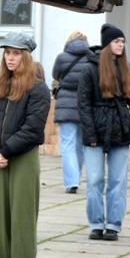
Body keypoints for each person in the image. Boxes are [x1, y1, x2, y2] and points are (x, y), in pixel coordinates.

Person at [0, 32, 51, 258]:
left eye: (16, 53)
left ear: (27, 56)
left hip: (22, 157)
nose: (11, 58)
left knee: (21, 215)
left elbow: (33, 128)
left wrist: (6, 150)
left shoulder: (38, 88)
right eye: (8, 53)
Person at [76, 24, 130, 241]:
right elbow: (83, 104)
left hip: (120, 129)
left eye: (122, 41)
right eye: (117, 41)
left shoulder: (128, 68)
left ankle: (113, 225)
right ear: (107, 44)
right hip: (96, 131)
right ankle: (96, 223)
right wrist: (90, 135)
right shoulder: (90, 69)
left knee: (118, 181)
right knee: (95, 180)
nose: (121, 45)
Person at [51, 31, 92, 194]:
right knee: (81, 145)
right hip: (85, 105)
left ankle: (72, 181)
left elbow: (56, 76)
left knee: (67, 144)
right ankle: (76, 177)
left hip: (66, 105)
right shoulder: (91, 58)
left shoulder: (62, 57)